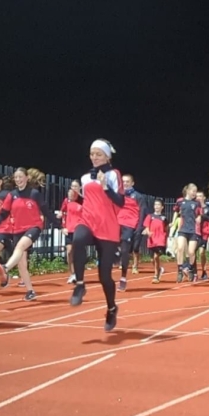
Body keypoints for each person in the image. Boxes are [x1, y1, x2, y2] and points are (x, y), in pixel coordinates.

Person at [69, 139, 124, 333]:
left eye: (98, 154)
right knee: (77, 240)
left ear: (107, 156)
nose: (94, 157)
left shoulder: (114, 175)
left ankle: (111, 308)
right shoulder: (84, 178)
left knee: (105, 277)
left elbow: (120, 202)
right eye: (92, 154)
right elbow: (89, 200)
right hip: (88, 220)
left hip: (107, 227)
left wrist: (106, 187)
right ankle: (80, 285)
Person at [0, 168, 54, 301]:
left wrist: (60, 226)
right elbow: (3, 213)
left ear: (26, 178)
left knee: (19, 247)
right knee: (22, 264)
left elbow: (46, 211)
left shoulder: (34, 193)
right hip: (18, 230)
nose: (18, 180)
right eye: (16, 177)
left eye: (21, 177)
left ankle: (5, 268)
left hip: (34, 227)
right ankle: (30, 291)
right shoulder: (12, 195)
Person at [116, 174, 149, 291]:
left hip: (129, 226)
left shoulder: (138, 197)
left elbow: (143, 213)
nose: (125, 183)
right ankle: (115, 255)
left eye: (127, 181)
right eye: (123, 181)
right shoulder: (118, 195)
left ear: (132, 183)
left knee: (125, 251)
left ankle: (123, 278)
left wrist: (139, 228)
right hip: (116, 224)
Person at [174, 184, 201, 283]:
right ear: (188, 191)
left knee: (191, 252)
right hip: (183, 229)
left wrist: (199, 220)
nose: (195, 193)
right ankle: (180, 270)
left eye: (196, 191)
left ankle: (190, 269)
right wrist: (173, 223)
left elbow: (199, 214)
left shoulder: (197, 203)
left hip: (193, 230)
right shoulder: (180, 201)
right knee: (180, 248)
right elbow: (176, 211)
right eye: (193, 191)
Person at [58, 180, 83, 284]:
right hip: (69, 230)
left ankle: (78, 273)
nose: (73, 188)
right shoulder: (66, 201)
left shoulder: (83, 200)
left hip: (79, 229)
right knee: (69, 251)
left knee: (77, 252)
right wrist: (62, 226)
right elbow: (61, 212)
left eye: (76, 186)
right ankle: (72, 274)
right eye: (72, 186)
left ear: (80, 188)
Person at [142, 199, 168, 283]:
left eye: (158, 205)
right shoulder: (150, 216)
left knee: (156, 256)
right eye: (155, 205)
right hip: (152, 240)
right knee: (152, 260)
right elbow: (146, 226)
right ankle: (159, 269)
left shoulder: (164, 218)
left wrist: (167, 238)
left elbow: (166, 229)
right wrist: (148, 232)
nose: (156, 206)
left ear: (162, 207)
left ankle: (156, 275)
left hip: (160, 240)